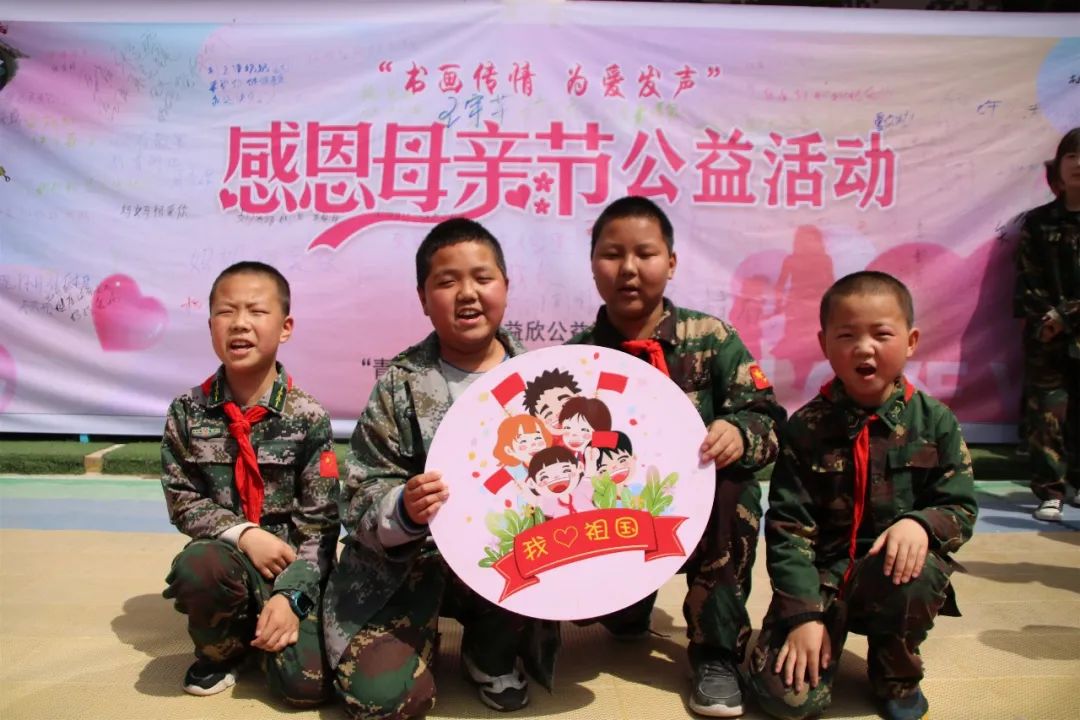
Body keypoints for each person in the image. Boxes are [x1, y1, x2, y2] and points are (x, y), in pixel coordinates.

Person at [322, 218, 551, 719]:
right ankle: (416, 636)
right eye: (447, 282)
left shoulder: (544, 383)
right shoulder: (400, 384)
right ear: (424, 299)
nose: (467, 293)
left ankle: (490, 651)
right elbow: (359, 492)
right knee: (385, 702)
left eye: (482, 278)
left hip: (510, 563)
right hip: (411, 566)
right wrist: (402, 508)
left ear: (505, 286)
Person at [567, 195, 786, 718]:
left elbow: (767, 417)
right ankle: (627, 603)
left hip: (696, 513)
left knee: (733, 488)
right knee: (611, 620)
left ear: (671, 263)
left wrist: (739, 432)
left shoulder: (711, 339)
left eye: (644, 253)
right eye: (612, 254)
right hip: (615, 514)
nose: (628, 268)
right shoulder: (577, 357)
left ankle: (715, 653)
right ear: (592, 265)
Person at [748, 271, 977, 720]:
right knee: (788, 701)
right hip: (822, 580)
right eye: (847, 335)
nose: (864, 348)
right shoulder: (806, 428)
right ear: (824, 344)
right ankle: (813, 633)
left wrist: (921, 524)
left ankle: (894, 669)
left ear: (910, 341)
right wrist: (804, 615)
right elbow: (788, 528)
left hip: (893, 574)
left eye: (881, 334)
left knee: (920, 566)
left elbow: (960, 506)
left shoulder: (936, 422)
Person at [160, 261, 339, 706]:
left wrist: (292, 596)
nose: (240, 323)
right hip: (227, 560)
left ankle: (272, 628)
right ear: (211, 326)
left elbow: (320, 526)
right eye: (226, 312)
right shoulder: (187, 412)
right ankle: (222, 650)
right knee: (199, 566)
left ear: (285, 327)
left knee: (306, 687)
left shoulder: (309, 417)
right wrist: (244, 534)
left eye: (257, 311)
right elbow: (182, 499)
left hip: (292, 568)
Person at [1014, 127, 1080, 522]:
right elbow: (1027, 278)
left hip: (1062, 324)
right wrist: (1047, 319)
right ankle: (1050, 491)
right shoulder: (1039, 222)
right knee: (1048, 415)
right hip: (1047, 338)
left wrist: (1066, 316)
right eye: (1072, 156)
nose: (1079, 164)